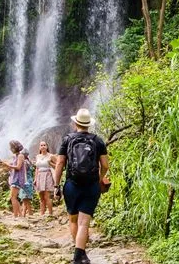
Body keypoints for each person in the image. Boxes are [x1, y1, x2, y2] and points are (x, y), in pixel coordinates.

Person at [54, 109, 109, 264]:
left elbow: (59, 163)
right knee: (84, 222)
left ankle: (78, 252)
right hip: (91, 185)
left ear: (75, 123)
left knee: (73, 220)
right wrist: (100, 178)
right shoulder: (97, 141)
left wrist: (56, 186)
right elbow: (105, 164)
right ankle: (80, 253)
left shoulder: (67, 140)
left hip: (72, 185)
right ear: (89, 125)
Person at [1, 140, 26, 218]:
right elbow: (12, 166)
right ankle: (20, 215)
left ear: (15, 147)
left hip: (18, 178)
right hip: (14, 177)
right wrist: (5, 164)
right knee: (14, 197)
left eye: (11, 147)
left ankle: (15, 215)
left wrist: (8, 165)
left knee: (13, 197)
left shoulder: (20, 156)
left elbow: (18, 167)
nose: (10, 149)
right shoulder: (15, 156)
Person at [34, 141, 57, 217]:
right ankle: (42, 214)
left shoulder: (51, 156)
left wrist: (50, 163)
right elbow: (37, 168)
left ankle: (50, 214)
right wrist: (35, 179)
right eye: (41, 145)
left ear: (47, 147)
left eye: (44, 145)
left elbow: (58, 166)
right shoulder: (37, 156)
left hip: (48, 175)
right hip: (39, 176)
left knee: (47, 196)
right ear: (39, 147)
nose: (43, 146)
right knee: (41, 197)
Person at [18, 149, 35, 217]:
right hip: (29, 180)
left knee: (25, 198)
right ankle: (24, 214)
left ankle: (29, 213)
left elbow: (23, 172)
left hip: (25, 181)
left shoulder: (24, 162)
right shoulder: (29, 161)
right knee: (26, 198)